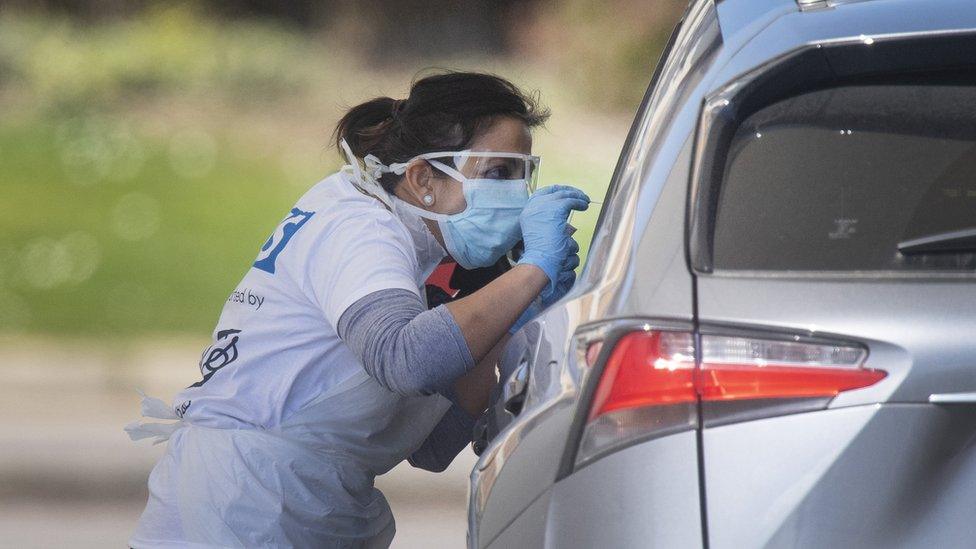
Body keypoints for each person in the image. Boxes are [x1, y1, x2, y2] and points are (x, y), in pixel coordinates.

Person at [125, 71, 589, 548]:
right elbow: (404, 360)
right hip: (244, 507)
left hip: (302, 504)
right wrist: (533, 270)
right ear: (423, 177)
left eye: (524, 174)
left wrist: (512, 316)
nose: (519, 196)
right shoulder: (359, 225)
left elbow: (432, 446)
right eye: (498, 174)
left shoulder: (423, 247)